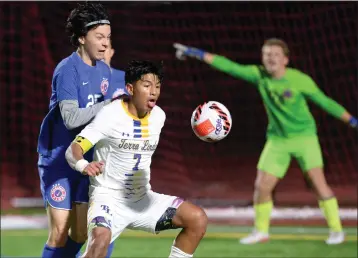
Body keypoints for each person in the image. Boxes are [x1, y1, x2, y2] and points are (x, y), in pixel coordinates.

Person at [173, 39, 358, 245]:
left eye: (276, 54)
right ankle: (261, 231)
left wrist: (351, 120)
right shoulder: (258, 74)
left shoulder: (299, 80)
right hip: (277, 140)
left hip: (305, 138)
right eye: (267, 54)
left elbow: (325, 101)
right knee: (262, 186)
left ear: (286, 60)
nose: (271, 58)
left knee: (318, 184)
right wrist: (197, 53)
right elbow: (229, 66)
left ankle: (336, 231)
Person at [65, 60, 208, 258]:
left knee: (197, 219)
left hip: (142, 199)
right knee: (100, 241)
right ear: (130, 88)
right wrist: (83, 164)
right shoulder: (110, 115)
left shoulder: (159, 116)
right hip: (108, 198)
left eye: (157, 86)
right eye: (147, 85)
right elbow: (74, 149)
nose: (154, 92)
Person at [37, 3, 116, 257]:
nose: (105, 44)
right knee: (60, 232)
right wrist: (109, 105)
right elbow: (71, 119)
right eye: (99, 37)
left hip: (85, 161)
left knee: (81, 234)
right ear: (82, 38)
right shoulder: (66, 70)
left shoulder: (104, 71)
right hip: (58, 161)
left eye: (108, 38)